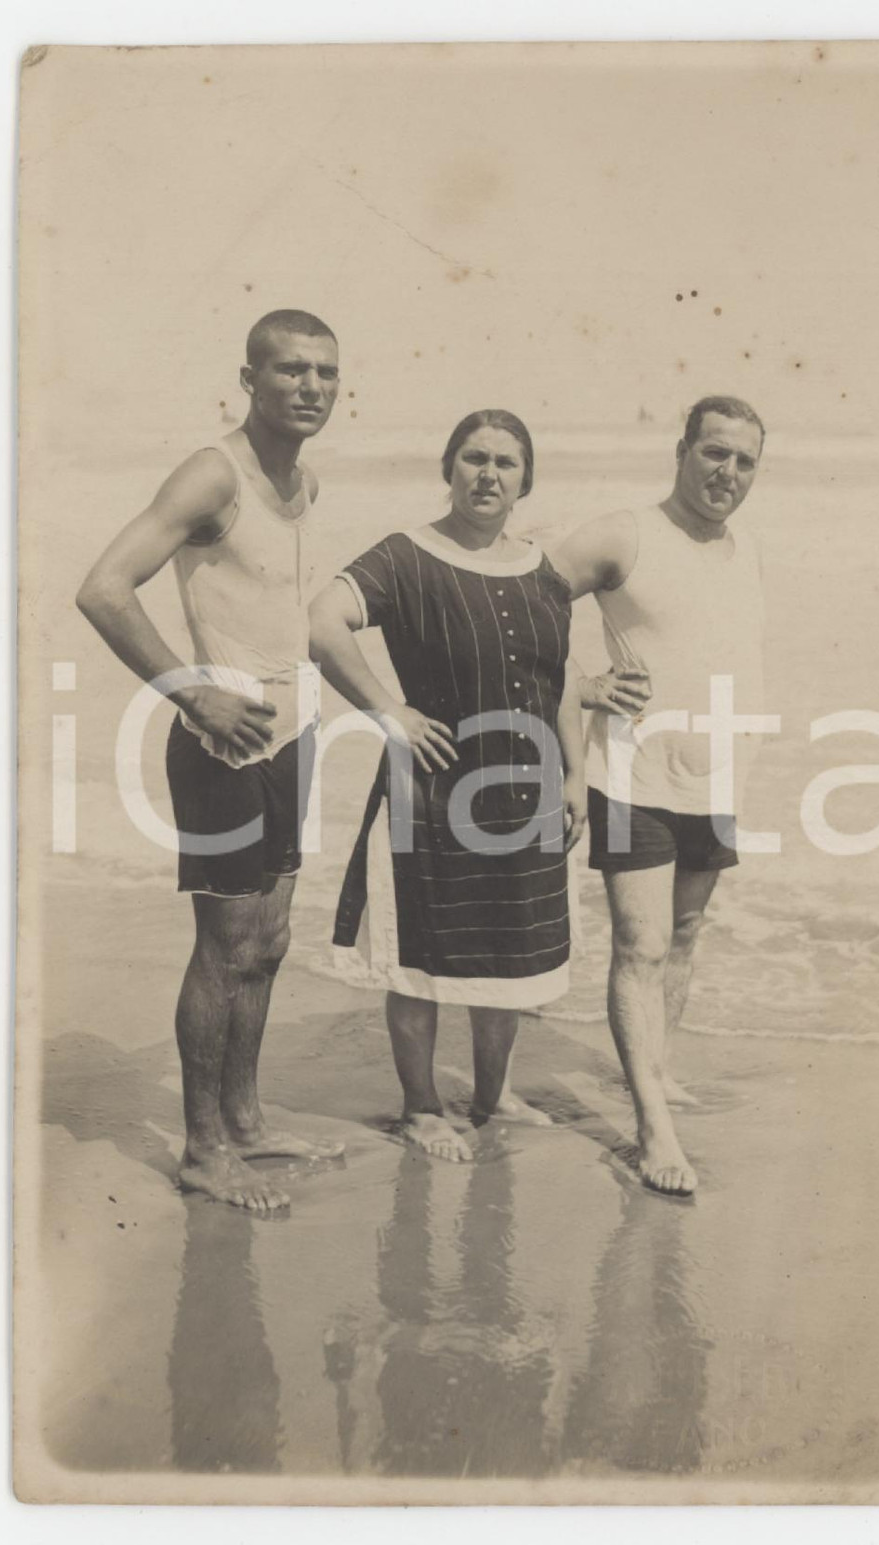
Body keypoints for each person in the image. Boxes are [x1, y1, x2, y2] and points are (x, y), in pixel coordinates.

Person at [76, 309, 346, 1213]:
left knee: (269, 944)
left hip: (293, 734)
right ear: (249, 378)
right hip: (221, 742)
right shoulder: (213, 473)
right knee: (225, 948)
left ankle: (247, 1118)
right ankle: (200, 1149)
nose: (311, 386)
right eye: (291, 370)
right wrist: (192, 691)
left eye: (325, 373)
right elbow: (103, 589)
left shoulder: (303, 482)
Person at [307, 409, 586, 1163]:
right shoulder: (406, 556)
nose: (488, 474)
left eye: (505, 462)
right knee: (421, 961)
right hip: (431, 788)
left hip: (529, 794)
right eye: (473, 458)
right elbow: (322, 620)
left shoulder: (543, 570)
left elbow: (557, 682)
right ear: (448, 466)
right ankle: (421, 1107)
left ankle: (491, 1100)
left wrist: (578, 778)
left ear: (527, 479)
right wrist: (388, 709)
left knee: (512, 963)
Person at [553, 395, 766, 1197]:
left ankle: (657, 1076)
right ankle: (651, 1127)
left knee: (684, 931)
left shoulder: (740, 548)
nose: (728, 473)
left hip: (713, 775)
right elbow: (522, 608)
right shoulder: (626, 534)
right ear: (682, 450)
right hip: (632, 774)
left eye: (744, 461)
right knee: (640, 946)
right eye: (714, 453)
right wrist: (584, 685)